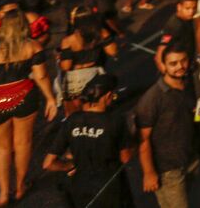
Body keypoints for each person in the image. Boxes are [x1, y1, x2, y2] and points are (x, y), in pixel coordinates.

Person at [0, 5, 58, 205]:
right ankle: (20, 186)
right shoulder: (33, 46)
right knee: (23, 143)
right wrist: (51, 99)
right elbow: (41, 76)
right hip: (25, 96)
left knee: (1, 148)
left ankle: (2, 194)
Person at [42, 73, 133, 208]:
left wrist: (71, 165)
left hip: (80, 187)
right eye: (113, 95)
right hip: (111, 187)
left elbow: (48, 164)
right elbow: (126, 158)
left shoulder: (72, 120)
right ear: (107, 96)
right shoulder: (114, 122)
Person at [135, 43, 200, 208]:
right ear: (163, 66)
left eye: (183, 61)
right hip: (167, 169)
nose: (180, 67)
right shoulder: (152, 99)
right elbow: (142, 139)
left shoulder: (187, 82)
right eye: (173, 63)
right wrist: (149, 172)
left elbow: (191, 117)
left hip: (190, 158)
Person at [58, 11, 119, 116]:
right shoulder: (101, 33)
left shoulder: (69, 40)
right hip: (94, 75)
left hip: (75, 79)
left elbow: (66, 66)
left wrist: (59, 60)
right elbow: (112, 52)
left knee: (72, 113)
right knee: (96, 108)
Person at [154, 0, 198, 74]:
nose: (191, 12)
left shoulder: (188, 19)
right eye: (187, 8)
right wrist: (164, 69)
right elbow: (161, 48)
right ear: (179, 7)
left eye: (194, 8)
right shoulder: (174, 26)